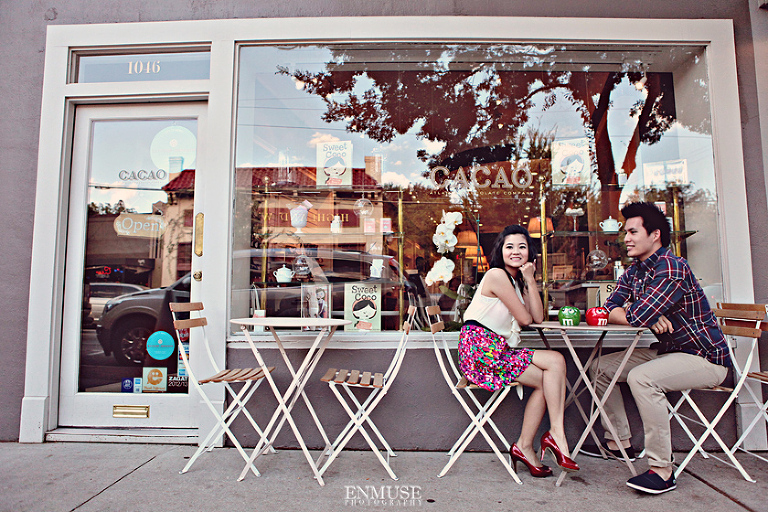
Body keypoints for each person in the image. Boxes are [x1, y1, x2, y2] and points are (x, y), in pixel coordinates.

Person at [585, 202, 730, 495]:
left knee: (642, 378)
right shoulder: (635, 270)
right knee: (599, 368)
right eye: (625, 232)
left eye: (632, 231)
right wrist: (640, 311)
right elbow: (607, 308)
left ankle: (662, 470)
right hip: (668, 352)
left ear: (655, 235)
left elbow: (637, 316)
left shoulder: (672, 266)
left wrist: (639, 312)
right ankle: (618, 442)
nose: (626, 238)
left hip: (703, 358)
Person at [458, 225, 579, 478]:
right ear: (500, 251)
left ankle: (525, 445)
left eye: (522, 247)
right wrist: (526, 283)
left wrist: (530, 279)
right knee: (555, 361)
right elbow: (525, 320)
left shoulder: (515, 280)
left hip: (495, 349)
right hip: (481, 350)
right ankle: (555, 435)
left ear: (529, 253)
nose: (516, 252)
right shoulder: (496, 275)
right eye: (509, 246)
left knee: (549, 379)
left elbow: (537, 316)